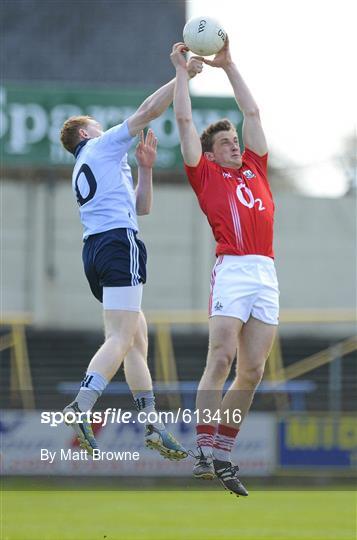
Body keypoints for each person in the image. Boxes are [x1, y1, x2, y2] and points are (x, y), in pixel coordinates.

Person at [59, 58, 202, 460]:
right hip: (118, 245)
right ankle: (81, 406)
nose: (106, 129)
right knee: (121, 337)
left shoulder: (95, 164)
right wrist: (181, 76)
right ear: (86, 132)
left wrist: (146, 170)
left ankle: (152, 425)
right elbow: (146, 112)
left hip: (98, 249)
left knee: (136, 336)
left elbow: (142, 207)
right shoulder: (101, 146)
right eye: (97, 125)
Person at [171, 39, 279, 495]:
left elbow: (252, 114)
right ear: (210, 153)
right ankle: (201, 448)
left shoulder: (255, 165)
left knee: (252, 371)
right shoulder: (207, 174)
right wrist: (182, 73)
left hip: (265, 273)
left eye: (234, 141)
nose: (235, 145)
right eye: (225, 143)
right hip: (232, 268)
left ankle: (222, 455)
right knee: (221, 356)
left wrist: (229, 65)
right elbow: (182, 120)